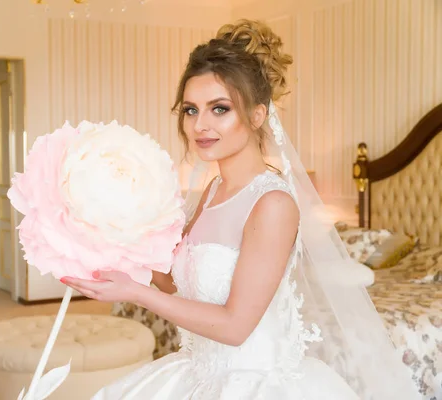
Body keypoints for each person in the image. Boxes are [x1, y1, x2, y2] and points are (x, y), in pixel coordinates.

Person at [61, 19, 418, 400]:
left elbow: (235, 326)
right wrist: (120, 248)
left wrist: (134, 292)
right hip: (197, 373)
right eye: (190, 110)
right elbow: (178, 283)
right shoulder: (213, 189)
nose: (200, 125)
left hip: (256, 384)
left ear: (257, 115)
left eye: (219, 109)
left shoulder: (273, 204)